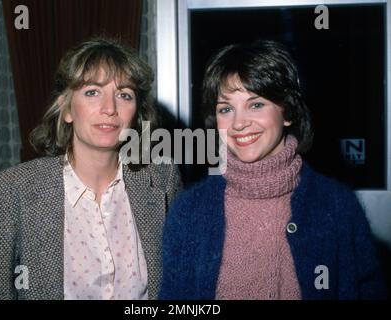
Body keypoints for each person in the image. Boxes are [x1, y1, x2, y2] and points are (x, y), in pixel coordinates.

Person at [159, 40, 387, 300]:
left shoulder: (337, 206)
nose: (239, 123)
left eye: (256, 104)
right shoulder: (188, 212)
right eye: (226, 109)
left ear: (287, 112)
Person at [0, 37, 182, 300]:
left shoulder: (163, 179)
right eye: (92, 92)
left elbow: (182, 283)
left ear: (136, 114)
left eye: (124, 95)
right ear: (66, 108)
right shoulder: (11, 190)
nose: (110, 109)